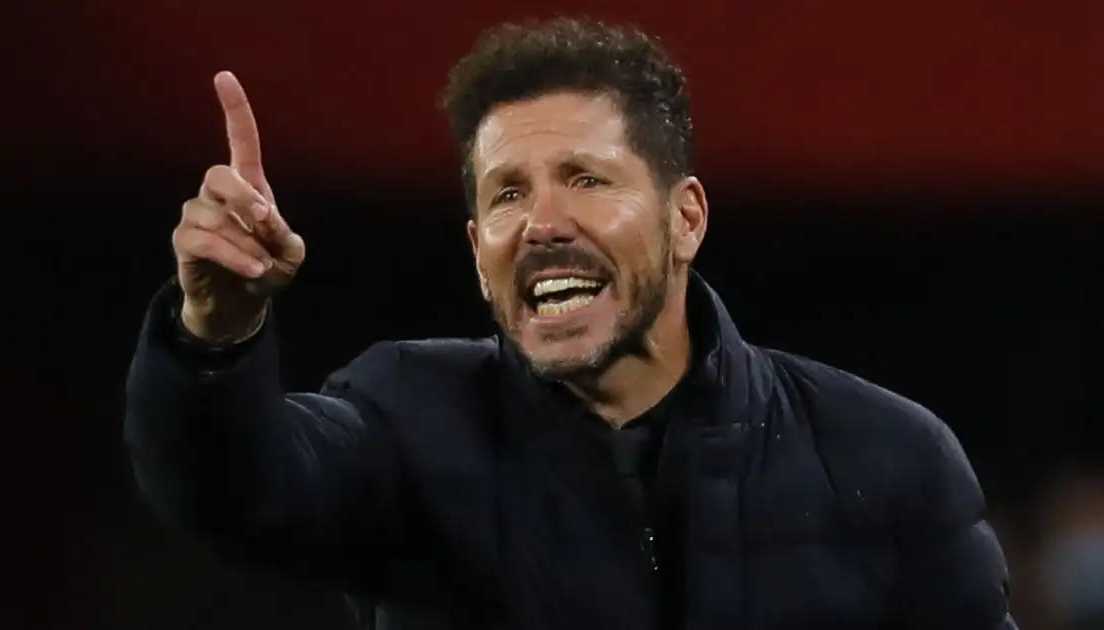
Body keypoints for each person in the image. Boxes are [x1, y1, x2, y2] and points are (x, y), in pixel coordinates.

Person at [124, 18, 1018, 630]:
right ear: (478, 251)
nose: (542, 223)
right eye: (508, 194)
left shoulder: (885, 457)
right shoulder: (404, 421)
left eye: (586, 179)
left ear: (685, 218)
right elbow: (231, 490)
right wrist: (215, 333)